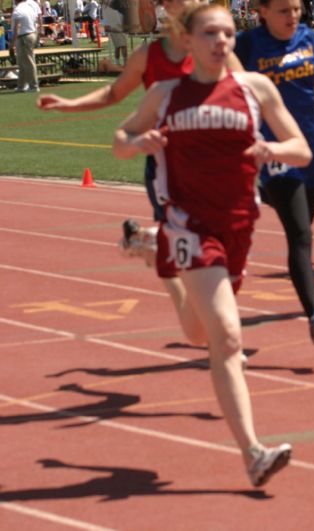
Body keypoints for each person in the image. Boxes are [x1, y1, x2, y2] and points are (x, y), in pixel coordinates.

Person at [113, 2, 311, 487]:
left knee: (198, 334)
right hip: (188, 223)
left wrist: (273, 149)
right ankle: (254, 453)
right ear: (189, 38)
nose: (222, 41)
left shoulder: (254, 89)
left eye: (228, 33)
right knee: (225, 336)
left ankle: (150, 252)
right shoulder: (165, 94)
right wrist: (137, 144)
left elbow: (301, 148)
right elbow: (121, 137)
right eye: (211, 34)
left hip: (239, 223)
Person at [37, 0, 240, 351]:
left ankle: (153, 249)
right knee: (189, 257)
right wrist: (70, 104)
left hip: (213, 167)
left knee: (215, 252)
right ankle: (219, 334)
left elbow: (245, 94)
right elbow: (115, 93)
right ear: (166, 6)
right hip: (166, 168)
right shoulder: (149, 56)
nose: (188, 3)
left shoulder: (216, 47)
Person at [234, 0, 314, 343]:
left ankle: (254, 193)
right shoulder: (247, 45)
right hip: (272, 150)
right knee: (301, 235)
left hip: (308, 150)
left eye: (295, 9)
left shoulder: (308, 38)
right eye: (282, 11)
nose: (292, 17)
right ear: (261, 10)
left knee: (303, 220)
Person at [11, 0, 39, 93]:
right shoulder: (29, 7)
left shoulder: (17, 10)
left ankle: (34, 86)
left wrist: (12, 44)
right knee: (22, 62)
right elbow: (36, 19)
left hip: (23, 37)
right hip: (32, 34)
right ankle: (21, 86)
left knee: (28, 62)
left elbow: (17, 28)